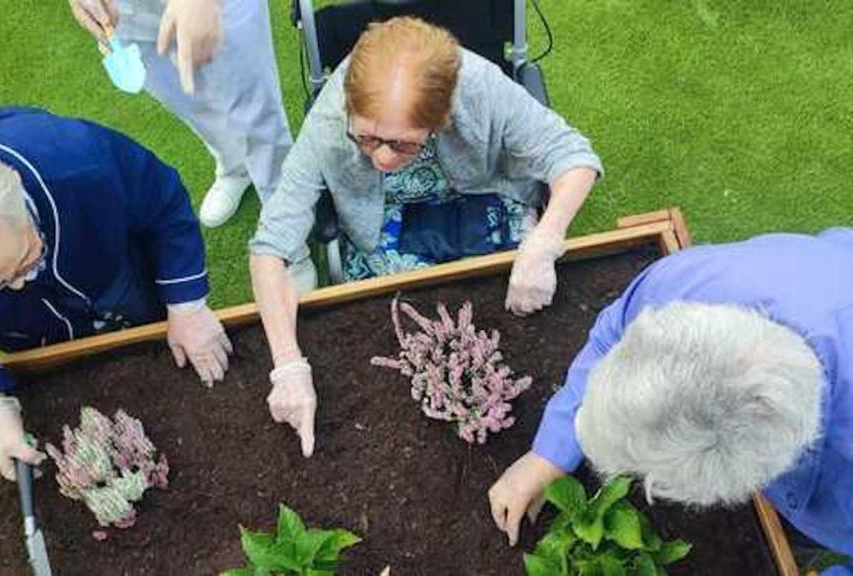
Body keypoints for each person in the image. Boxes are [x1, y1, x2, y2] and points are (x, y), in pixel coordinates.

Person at [248, 17, 602, 457]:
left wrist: (545, 240)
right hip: (388, 228)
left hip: (483, 200)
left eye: (401, 144)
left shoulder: (478, 86)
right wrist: (287, 365)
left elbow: (575, 157)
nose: (379, 157)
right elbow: (271, 247)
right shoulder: (331, 118)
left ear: (441, 119)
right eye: (366, 138)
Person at [0, 106, 233, 481]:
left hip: (104, 269)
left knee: (141, 310)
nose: (20, 284)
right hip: (24, 331)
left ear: (16, 188)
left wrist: (186, 307)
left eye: (27, 257)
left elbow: (163, 205)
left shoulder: (79, 164)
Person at [487, 230, 853, 574]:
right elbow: (612, 333)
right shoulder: (688, 286)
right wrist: (549, 453)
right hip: (825, 273)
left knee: (798, 543)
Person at [69, 0, 293, 228]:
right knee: (190, 102)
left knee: (253, 112)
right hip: (124, 11)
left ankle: (285, 213)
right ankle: (236, 166)